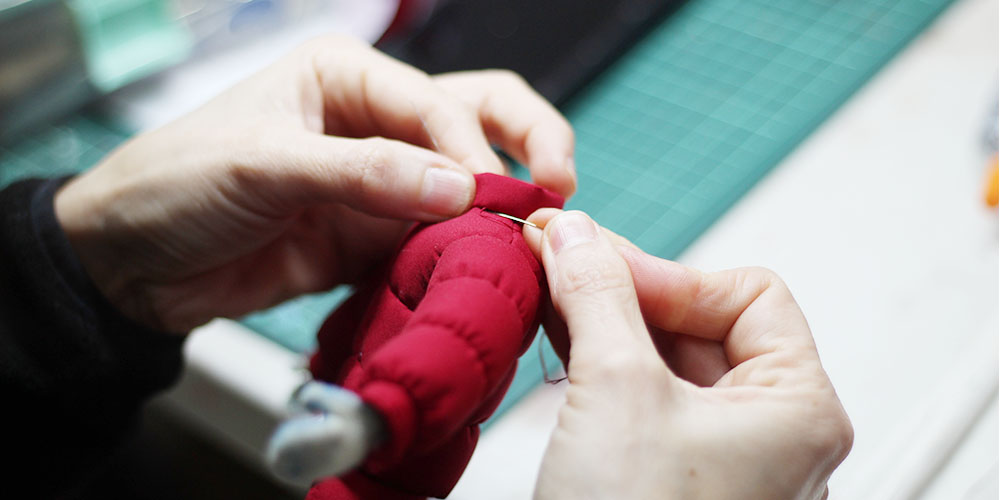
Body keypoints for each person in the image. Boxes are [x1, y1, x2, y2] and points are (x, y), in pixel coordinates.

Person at [0, 36, 852, 499]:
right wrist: (334, 373)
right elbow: (373, 313)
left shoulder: (489, 250)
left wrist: (376, 414)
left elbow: (459, 343)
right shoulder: (446, 230)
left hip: (394, 446)